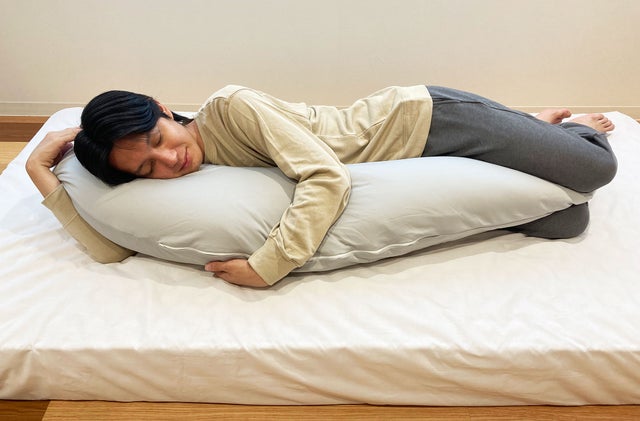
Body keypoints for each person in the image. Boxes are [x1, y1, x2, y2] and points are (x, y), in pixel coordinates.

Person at [26, 85, 617, 288]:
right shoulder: (197, 173)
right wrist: (42, 175)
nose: (169, 161)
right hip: (424, 163)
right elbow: (113, 249)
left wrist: (269, 265)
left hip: (428, 122)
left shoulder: (232, 108)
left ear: (162, 108)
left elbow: (327, 176)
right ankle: (533, 132)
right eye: (146, 170)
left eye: (158, 138)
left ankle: (566, 131)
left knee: (593, 169)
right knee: (567, 220)